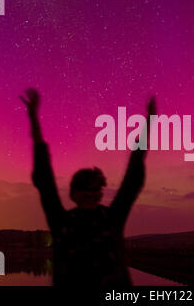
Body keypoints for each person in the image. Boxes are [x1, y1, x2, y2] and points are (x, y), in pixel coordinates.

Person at [20, 88, 155, 286]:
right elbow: (45, 179)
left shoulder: (111, 218)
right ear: (74, 194)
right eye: (86, 189)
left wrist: (150, 121)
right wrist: (33, 118)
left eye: (95, 190)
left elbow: (132, 178)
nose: (91, 194)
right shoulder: (63, 222)